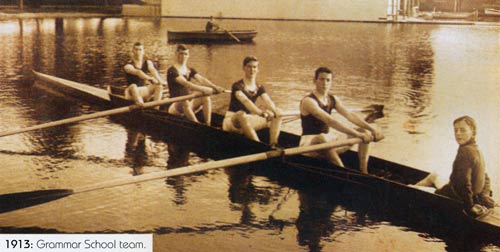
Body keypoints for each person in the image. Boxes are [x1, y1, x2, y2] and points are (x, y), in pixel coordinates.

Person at [299, 67, 383, 173]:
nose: (325, 83)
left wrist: (372, 129)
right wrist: (357, 135)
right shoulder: (308, 101)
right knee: (321, 138)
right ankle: (343, 172)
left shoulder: (333, 99)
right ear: (314, 81)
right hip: (308, 146)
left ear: (331, 82)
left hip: (327, 141)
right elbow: (331, 121)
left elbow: (350, 115)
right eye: (321, 79)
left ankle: (364, 171)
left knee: (364, 131)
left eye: (328, 80)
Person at [414, 116, 495, 216]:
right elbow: (485, 177)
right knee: (434, 175)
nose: (458, 134)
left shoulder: (465, 151)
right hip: (466, 192)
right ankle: (417, 186)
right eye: (455, 130)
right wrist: (484, 196)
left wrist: (469, 207)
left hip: (454, 196)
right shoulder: (476, 149)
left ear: (473, 131)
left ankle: (411, 188)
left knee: (411, 189)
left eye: (462, 130)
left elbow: (463, 183)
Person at [222, 56, 282, 146]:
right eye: (249, 66)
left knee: (278, 112)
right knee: (241, 114)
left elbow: (268, 101)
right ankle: (259, 146)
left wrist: (274, 111)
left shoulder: (259, 87)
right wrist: (261, 113)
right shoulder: (237, 86)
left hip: (247, 121)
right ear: (243, 68)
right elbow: (246, 101)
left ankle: (273, 145)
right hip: (232, 122)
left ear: (258, 69)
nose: (252, 70)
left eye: (254, 67)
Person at [166, 44, 225, 126]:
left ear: (188, 55)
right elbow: (187, 84)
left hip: (189, 105)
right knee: (185, 101)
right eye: (181, 53)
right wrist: (204, 89)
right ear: (176, 54)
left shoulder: (190, 70)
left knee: (205, 97)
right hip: (175, 107)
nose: (183, 56)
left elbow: (202, 79)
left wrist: (215, 87)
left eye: (185, 54)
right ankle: (197, 126)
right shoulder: (172, 71)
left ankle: (208, 124)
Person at [123, 42, 165, 108]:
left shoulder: (148, 62)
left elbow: (153, 70)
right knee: (133, 86)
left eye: (140, 50)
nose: (138, 52)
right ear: (133, 51)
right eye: (136, 49)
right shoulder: (128, 65)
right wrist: (150, 78)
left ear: (143, 51)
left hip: (143, 91)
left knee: (159, 86)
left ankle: (155, 109)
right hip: (131, 93)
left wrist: (160, 81)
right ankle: (142, 109)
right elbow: (138, 72)